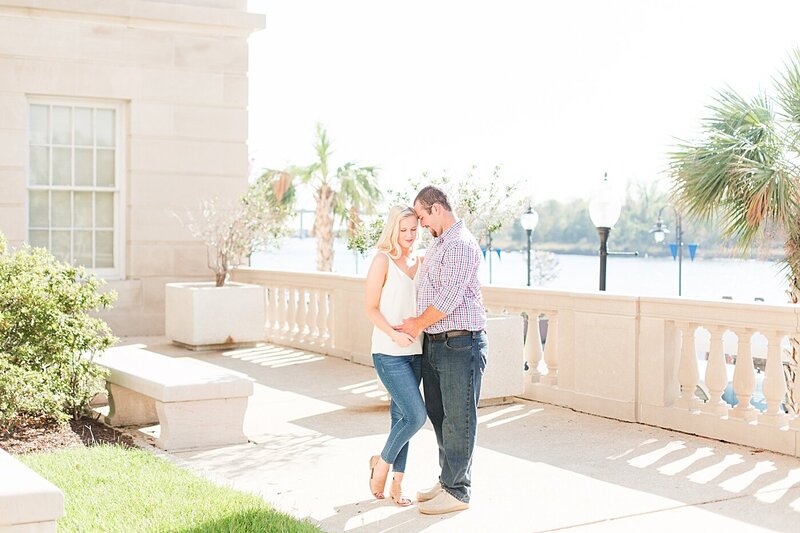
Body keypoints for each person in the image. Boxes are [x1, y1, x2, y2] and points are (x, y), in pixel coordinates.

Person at [395, 185, 487, 515]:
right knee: (440, 416)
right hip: (437, 344)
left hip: (460, 343)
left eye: (421, 217)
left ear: (437, 209)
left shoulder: (461, 245)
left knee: (458, 420)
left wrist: (415, 324)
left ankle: (458, 491)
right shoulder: (438, 245)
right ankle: (448, 479)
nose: (420, 225)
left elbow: (446, 301)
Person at [365, 205, 428, 506]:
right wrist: (394, 334)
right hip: (388, 352)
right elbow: (370, 308)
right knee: (416, 416)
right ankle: (381, 465)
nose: (408, 235)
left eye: (413, 229)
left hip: (417, 352)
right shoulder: (382, 261)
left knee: (400, 419)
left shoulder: (422, 260)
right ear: (393, 229)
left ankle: (397, 486)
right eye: (403, 230)